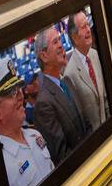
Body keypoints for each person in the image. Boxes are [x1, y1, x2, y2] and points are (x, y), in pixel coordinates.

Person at [0, 60, 53, 186]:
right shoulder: (2, 166)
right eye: (12, 93)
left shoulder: (35, 135)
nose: (20, 96)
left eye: (19, 89)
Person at [31, 26, 89, 164]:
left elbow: (86, 122)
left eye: (60, 40)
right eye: (55, 41)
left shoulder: (67, 81)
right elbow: (62, 154)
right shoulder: (43, 104)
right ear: (44, 56)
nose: (61, 45)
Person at [62, 11, 108, 132]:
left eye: (88, 25)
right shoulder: (69, 74)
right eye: (83, 27)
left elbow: (105, 97)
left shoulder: (95, 54)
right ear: (74, 37)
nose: (88, 29)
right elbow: (81, 117)